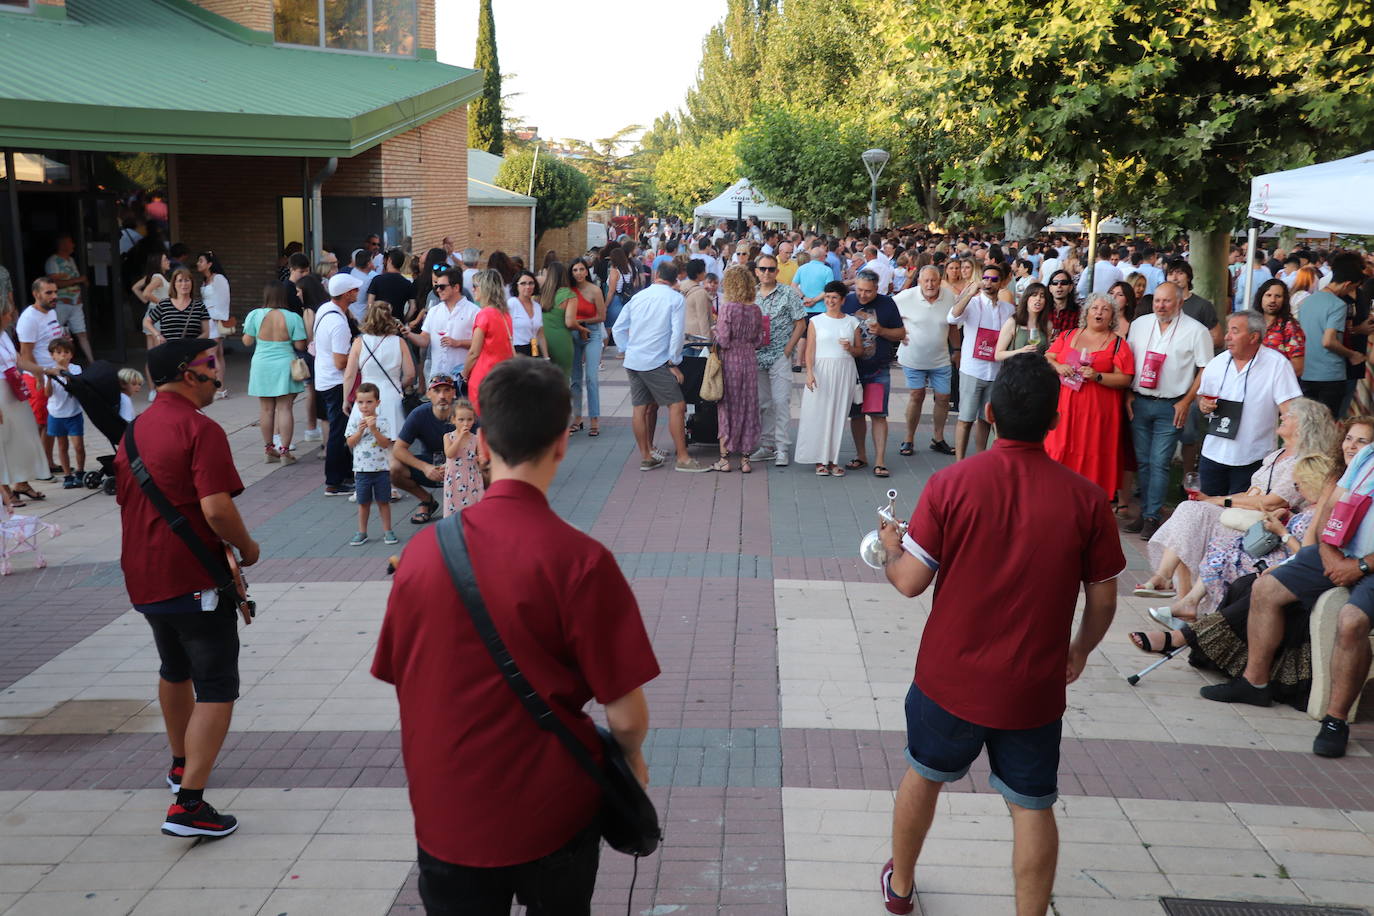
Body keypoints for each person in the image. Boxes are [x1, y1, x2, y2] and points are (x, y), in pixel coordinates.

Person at [372, 358, 658, 915]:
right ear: (561, 444)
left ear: (483, 441)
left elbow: (399, 675)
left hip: (446, 802)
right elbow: (626, 717)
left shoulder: (422, 555)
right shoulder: (582, 560)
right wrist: (631, 759)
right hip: (552, 804)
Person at [876, 353, 1122, 916]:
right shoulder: (1087, 499)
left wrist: (891, 548)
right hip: (1033, 687)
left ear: (988, 413)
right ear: (1055, 420)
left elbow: (912, 582)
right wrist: (1079, 650)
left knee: (923, 773)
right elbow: (1104, 597)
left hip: (949, 679)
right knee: (1032, 805)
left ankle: (902, 887)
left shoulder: (950, 483)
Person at [114, 338, 259, 838]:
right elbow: (217, 509)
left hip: (144, 574)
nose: (219, 377)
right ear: (188, 374)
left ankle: (180, 766)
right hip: (193, 577)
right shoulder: (199, 428)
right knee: (217, 684)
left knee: (174, 668)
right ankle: (189, 806)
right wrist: (249, 547)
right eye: (212, 367)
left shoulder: (134, 430)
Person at [1136, 397, 1334, 621]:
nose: (1282, 417)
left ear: (1305, 424)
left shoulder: (1303, 460)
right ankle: (1172, 586)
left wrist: (1222, 502)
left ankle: (1176, 594)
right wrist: (1212, 499)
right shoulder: (1276, 455)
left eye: (1289, 416)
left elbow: (1273, 502)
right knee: (1190, 509)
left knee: (1195, 516)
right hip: (1248, 514)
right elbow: (1251, 493)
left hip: (1268, 524)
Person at [1125, 281, 1214, 538]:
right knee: (1142, 461)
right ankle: (1144, 513)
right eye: (1157, 301)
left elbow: (1205, 368)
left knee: (1160, 461)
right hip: (1140, 400)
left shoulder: (1196, 330)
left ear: (1180, 303)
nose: (1160, 306)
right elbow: (1129, 360)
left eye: (1167, 301)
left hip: (1171, 404)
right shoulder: (1140, 324)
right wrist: (1128, 394)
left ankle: (1153, 516)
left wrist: (1186, 402)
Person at [612, 261, 707, 473]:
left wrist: (627, 349)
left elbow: (619, 327)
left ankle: (646, 456)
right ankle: (682, 458)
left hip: (635, 359)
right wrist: (673, 361)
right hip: (656, 360)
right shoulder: (675, 299)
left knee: (640, 407)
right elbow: (676, 334)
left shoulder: (639, 296)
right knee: (677, 405)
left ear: (656, 275)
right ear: (676, 279)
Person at [1196, 311, 1303, 496]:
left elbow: (1291, 411)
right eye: (1228, 330)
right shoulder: (1217, 363)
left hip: (1254, 456)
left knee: (1239, 516)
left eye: (1235, 331)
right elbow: (1203, 398)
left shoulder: (1277, 365)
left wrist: (1289, 452)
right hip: (1213, 452)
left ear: (1254, 337)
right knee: (1207, 510)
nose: (1227, 336)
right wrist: (1203, 404)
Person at [1043, 294, 1135, 496]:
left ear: (1112, 317)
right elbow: (1048, 357)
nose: (1099, 312)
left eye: (1105, 309)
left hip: (1098, 412)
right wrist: (1059, 366)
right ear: (1086, 312)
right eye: (1094, 308)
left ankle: (1088, 498)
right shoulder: (1068, 335)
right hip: (1066, 408)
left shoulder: (1118, 344)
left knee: (1093, 453)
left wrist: (1098, 376)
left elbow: (1125, 378)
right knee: (1059, 447)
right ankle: (1054, 493)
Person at [795, 282, 862, 477]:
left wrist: (850, 348)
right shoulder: (816, 321)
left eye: (834, 298)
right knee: (818, 414)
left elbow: (860, 350)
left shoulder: (852, 322)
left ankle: (833, 460)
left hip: (844, 370)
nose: (830, 301)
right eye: (827, 297)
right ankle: (819, 459)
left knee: (839, 415)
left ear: (842, 300)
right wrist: (809, 373)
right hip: (821, 370)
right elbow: (810, 350)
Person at [948, 266, 1014, 461]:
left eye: (994, 279)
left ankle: (980, 460)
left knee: (986, 419)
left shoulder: (1008, 309)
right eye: (985, 278)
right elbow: (952, 317)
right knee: (965, 419)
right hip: (972, 370)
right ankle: (959, 463)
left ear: (1001, 283)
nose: (989, 282)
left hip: (995, 371)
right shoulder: (973, 303)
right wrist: (969, 293)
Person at [843, 271, 904, 476]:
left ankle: (880, 461)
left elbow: (901, 333)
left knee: (878, 415)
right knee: (857, 415)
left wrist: (882, 331)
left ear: (877, 289)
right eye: (859, 289)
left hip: (878, 369)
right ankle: (861, 456)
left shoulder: (887, 304)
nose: (862, 294)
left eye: (868, 291)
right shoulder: (848, 301)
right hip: (853, 370)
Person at [894, 266, 959, 458]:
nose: (930, 284)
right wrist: (897, 334)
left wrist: (957, 350)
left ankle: (938, 439)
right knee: (917, 395)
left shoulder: (949, 297)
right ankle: (908, 438)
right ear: (919, 282)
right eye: (926, 281)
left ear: (940, 280)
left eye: (934, 280)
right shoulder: (905, 297)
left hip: (941, 358)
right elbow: (888, 315)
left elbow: (953, 327)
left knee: (944, 398)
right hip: (913, 357)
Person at [241, 282, 307, 465]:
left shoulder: (254, 315)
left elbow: (246, 341)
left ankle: (269, 449)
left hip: (261, 364)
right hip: (285, 363)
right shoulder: (293, 317)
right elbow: (300, 345)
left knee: (266, 409)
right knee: (285, 408)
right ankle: (285, 451)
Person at [750, 252, 806, 467]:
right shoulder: (751, 294)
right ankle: (766, 445)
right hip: (756, 356)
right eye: (762, 269)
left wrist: (788, 350)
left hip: (779, 356)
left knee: (781, 402)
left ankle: (781, 448)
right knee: (763, 403)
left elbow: (800, 323)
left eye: (770, 269)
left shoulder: (788, 293)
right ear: (756, 271)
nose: (766, 273)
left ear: (777, 271)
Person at [1297, 253, 1367, 418]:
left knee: (1308, 423)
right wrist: (1353, 354)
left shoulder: (1307, 301)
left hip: (1307, 371)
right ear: (1348, 284)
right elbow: (1328, 341)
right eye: (1352, 288)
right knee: (1328, 425)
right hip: (1330, 374)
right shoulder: (1338, 305)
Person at [711, 266, 767, 473]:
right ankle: (745, 459)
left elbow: (723, 339)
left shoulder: (728, 308)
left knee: (727, 407)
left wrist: (715, 330)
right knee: (748, 407)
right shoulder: (755, 309)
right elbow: (759, 340)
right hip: (749, 360)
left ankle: (724, 459)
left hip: (730, 360)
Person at [0, 298, 49, 507]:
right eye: (8, 313)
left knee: (24, 436)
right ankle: (5, 490)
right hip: (1, 392)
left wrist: (44, 371)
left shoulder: (5, 335)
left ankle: (21, 483)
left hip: (14, 390)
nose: (11, 317)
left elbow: (20, 361)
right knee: (3, 441)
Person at [315, 273, 360, 497]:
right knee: (339, 431)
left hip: (323, 378)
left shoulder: (326, 309)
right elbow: (340, 361)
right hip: (335, 382)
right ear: (346, 294)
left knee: (339, 430)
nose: (358, 293)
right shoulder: (338, 323)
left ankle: (344, 475)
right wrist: (357, 353)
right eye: (354, 290)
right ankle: (334, 481)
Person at [343, 299, 415, 439]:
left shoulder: (359, 343)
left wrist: (345, 399)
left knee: (363, 440)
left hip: (365, 397)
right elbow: (410, 374)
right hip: (392, 395)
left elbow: (349, 375)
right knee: (393, 442)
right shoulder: (399, 342)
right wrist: (399, 385)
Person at [391, 374, 458, 523]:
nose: (442, 396)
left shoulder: (464, 412)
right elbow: (398, 449)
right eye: (437, 391)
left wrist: (456, 464)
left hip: (461, 466)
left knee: (489, 468)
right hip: (431, 465)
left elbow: (481, 447)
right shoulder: (419, 414)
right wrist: (425, 467)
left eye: (447, 390)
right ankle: (427, 501)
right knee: (394, 468)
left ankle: (480, 503)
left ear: (453, 393)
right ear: (428, 394)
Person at [16, 278, 64, 473]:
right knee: (40, 424)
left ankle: (48, 463)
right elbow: (26, 354)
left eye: (55, 292)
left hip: (53, 374)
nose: (54, 296)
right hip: (37, 377)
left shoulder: (51, 311)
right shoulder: (29, 319)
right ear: (36, 294)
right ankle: (38, 467)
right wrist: (39, 378)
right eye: (49, 293)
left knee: (50, 422)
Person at [407, 266, 479, 389]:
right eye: (435, 287)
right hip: (437, 378)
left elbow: (480, 344)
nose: (438, 290)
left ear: (456, 287)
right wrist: (408, 333)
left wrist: (458, 343)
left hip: (461, 378)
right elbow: (424, 340)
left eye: (442, 287)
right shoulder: (434, 311)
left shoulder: (474, 312)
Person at [344, 383, 398, 547]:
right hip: (361, 470)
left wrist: (374, 429)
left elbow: (385, 444)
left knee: (383, 501)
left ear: (377, 403)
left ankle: (387, 530)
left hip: (381, 469)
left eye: (369, 402)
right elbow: (350, 443)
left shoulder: (383, 421)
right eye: (360, 402)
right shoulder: (354, 421)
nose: (364, 406)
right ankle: (362, 532)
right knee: (363, 503)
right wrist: (360, 431)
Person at [463, 270, 515, 416]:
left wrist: (464, 374)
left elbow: (474, 352)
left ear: (485, 288)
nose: (472, 289)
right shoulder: (505, 315)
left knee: (483, 426)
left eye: (475, 286)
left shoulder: (484, 314)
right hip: (502, 377)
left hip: (483, 377)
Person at [566, 259, 606, 434]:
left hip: (592, 333)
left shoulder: (595, 290)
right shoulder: (568, 291)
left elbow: (602, 316)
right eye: (575, 270)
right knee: (574, 379)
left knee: (591, 377)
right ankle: (577, 417)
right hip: (573, 334)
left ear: (587, 271)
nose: (579, 273)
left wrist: (582, 321)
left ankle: (594, 419)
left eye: (582, 269)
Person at [45, 233, 94, 362]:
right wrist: (79, 279)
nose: (73, 245)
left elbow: (72, 280)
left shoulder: (70, 260)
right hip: (60, 303)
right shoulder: (53, 261)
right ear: (62, 245)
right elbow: (55, 284)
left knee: (81, 333)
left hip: (76, 303)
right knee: (56, 334)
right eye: (70, 242)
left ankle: (92, 361)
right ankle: (55, 362)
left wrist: (81, 283)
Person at [197, 252, 232, 395]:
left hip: (214, 319)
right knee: (217, 353)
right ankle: (219, 387)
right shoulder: (206, 280)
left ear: (209, 264)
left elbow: (224, 299)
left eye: (201, 261)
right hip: (208, 319)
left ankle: (216, 387)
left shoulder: (218, 279)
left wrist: (219, 318)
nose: (198, 263)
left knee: (211, 353)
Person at [145, 268, 211, 344]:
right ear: (174, 284)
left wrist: (192, 344)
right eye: (180, 280)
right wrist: (157, 335)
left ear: (192, 283)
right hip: (168, 352)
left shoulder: (200, 306)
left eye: (187, 280)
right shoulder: (164, 304)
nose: (184, 284)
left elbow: (206, 333)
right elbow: (147, 322)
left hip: (191, 353)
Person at [1255, 278, 1305, 377]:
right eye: (1268, 295)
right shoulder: (1251, 323)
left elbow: (1298, 368)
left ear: (1284, 300)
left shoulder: (1290, 326)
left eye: (1278, 296)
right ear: (1261, 297)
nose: (1273, 300)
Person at [442, 398, 484, 516]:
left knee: (474, 511)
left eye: (469, 419)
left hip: (472, 478)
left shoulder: (475, 438)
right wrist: (460, 437)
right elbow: (450, 453)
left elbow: (480, 457)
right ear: (453, 420)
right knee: (454, 510)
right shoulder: (448, 437)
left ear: (474, 420)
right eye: (461, 420)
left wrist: (480, 459)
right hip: (454, 480)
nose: (466, 423)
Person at [540, 261, 576, 379]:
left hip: (543, 339)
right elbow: (569, 322)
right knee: (563, 378)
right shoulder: (569, 295)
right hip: (561, 340)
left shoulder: (540, 294)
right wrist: (581, 328)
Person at [368, 248, 416, 323]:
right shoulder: (407, 283)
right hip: (397, 325)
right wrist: (403, 321)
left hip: (379, 324)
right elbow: (413, 307)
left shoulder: (377, 280)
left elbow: (370, 304)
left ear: (389, 260)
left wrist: (372, 320)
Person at [507, 270, 547, 357]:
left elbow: (540, 334)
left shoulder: (537, 307)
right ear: (516, 286)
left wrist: (546, 357)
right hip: (516, 350)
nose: (528, 286)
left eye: (531, 283)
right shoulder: (512, 303)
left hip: (534, 348)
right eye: (523, 283)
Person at [1044, 269, 1079, 339]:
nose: (1059, 285)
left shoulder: (1078, 312)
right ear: (1050, 288)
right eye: (1055, 283)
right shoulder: (1043, 309)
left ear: (1070, 287)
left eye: (1064, 283)